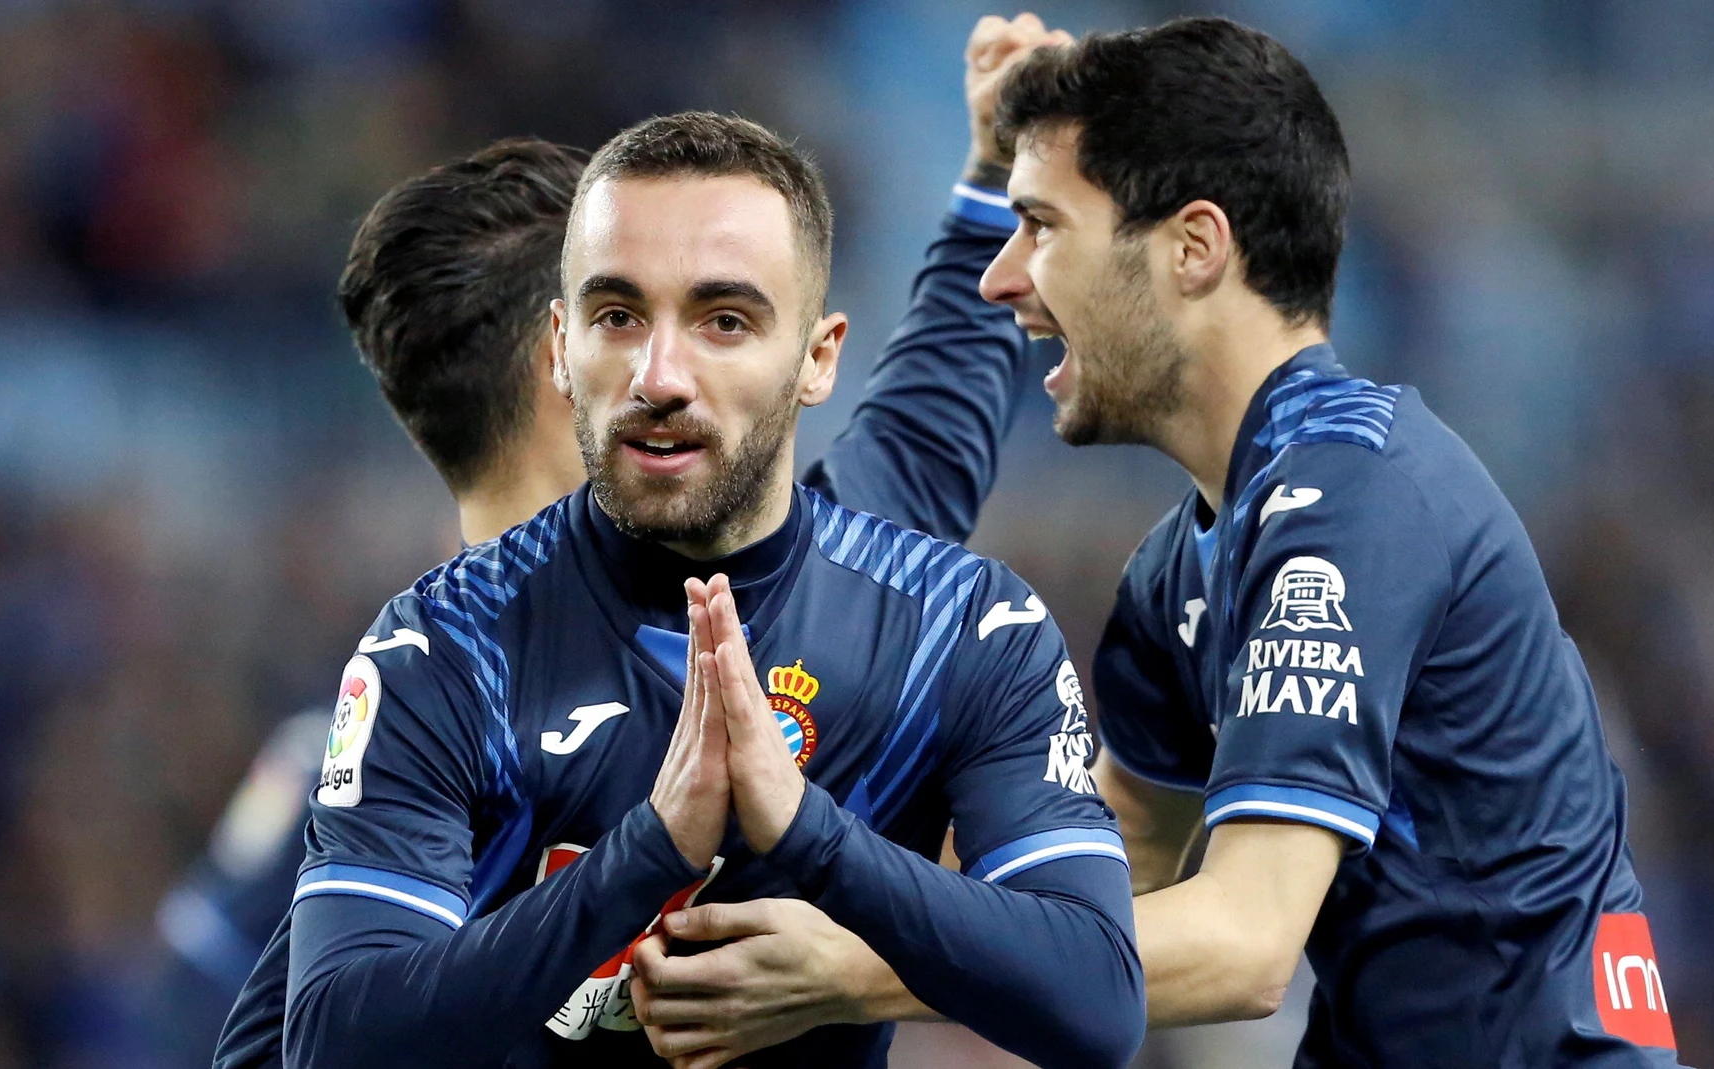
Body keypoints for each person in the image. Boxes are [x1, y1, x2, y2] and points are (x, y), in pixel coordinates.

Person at [643, 14, 1687, 1069]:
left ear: (1193, 248)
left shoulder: (1355, 500)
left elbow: (1242, 946)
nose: (1006, 279)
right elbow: (1098, 876)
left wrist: (853, 970)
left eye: (1042, 228)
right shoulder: (1177, 570)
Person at [208, 15, 1071, 1069]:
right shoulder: (433, 704)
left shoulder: (818, 587)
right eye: (627, 306)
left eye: (721, 316)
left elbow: (923, 436)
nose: (674, 364)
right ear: (561, 354)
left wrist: (992, 175)